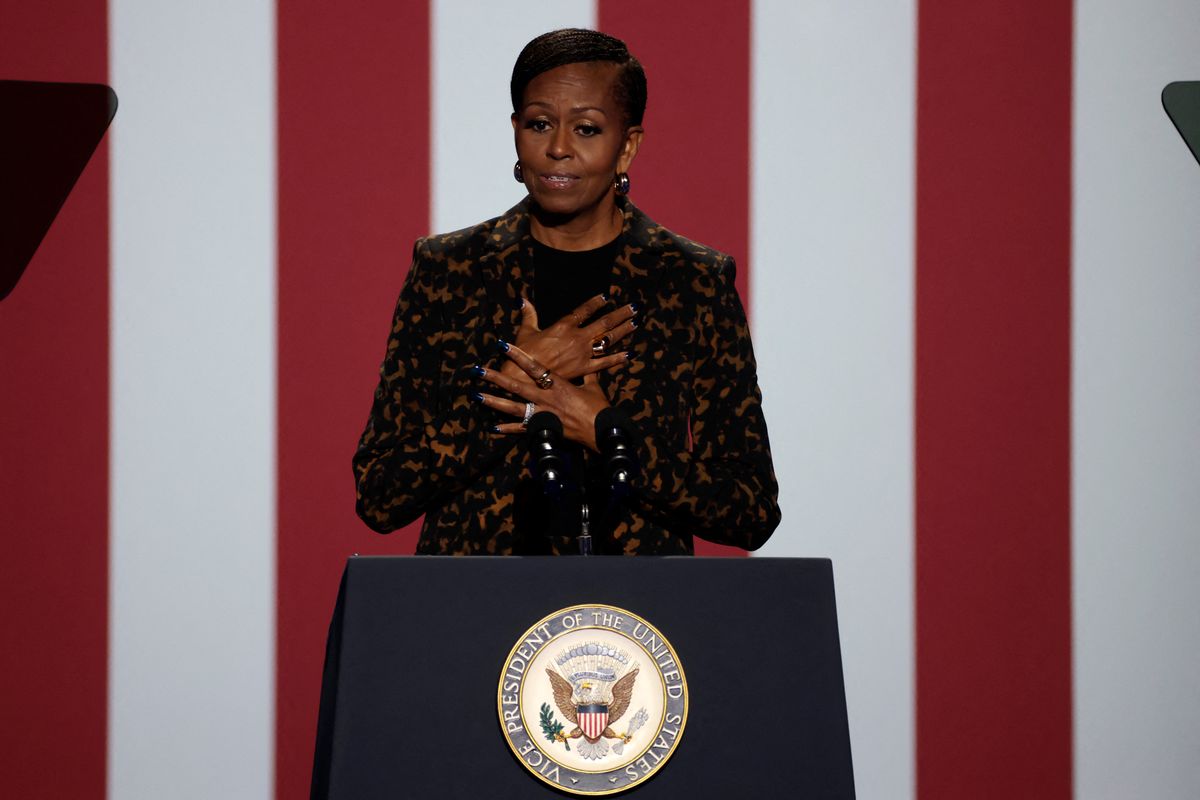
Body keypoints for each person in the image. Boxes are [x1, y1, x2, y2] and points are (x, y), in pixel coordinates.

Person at [353, 28, 780, 555]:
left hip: (631, 623)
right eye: (539, 125)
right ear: (516, 132)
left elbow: (750, 508)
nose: (558, 148)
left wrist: (604, 431)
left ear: (627, 146)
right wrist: (513, 386)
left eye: (586, 129)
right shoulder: (449, 271)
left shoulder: (692, 281)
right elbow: (379, 492)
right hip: (472, 615)